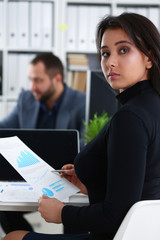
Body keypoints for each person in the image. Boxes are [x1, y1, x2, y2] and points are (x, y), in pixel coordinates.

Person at [3, 12, 160, 240]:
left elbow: (116, 214)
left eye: (123, 50)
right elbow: (143, 182)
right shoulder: (151, 105)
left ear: (149, 57)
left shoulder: (130, 118)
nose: (110, 62)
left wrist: (62, 214)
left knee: (13, 237)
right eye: (105, 53)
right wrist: (93, 179)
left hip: (115, 236)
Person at [0, 53, 86, 234]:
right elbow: (5, 129)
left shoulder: (80, 102)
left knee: (74, 215)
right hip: (28, 176)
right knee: (4, 210)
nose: (32, 87)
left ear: (57, 79)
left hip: (66, 177)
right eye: (31, 80)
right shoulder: (27, 99)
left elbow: (86, 145)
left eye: (38, 80)